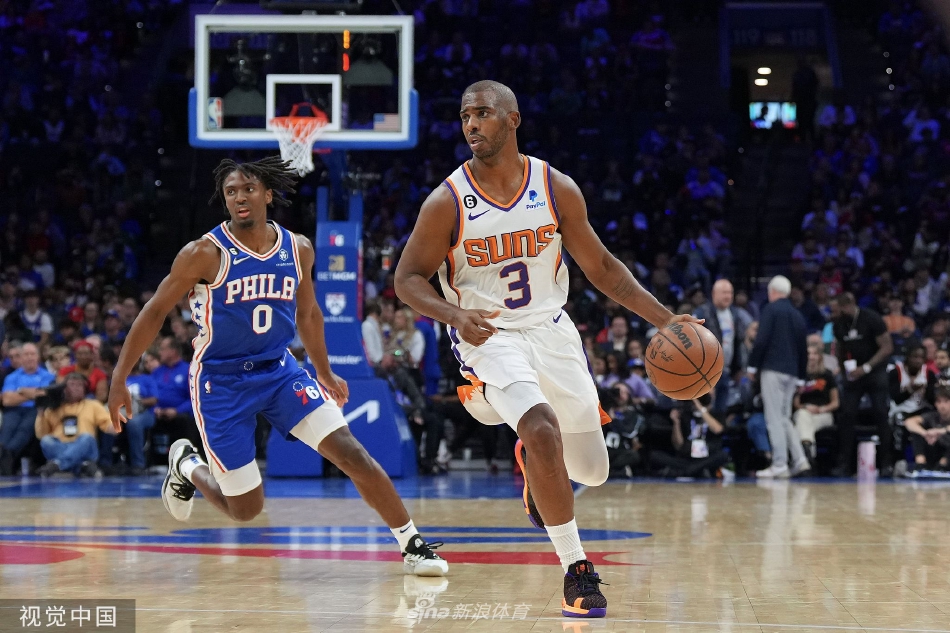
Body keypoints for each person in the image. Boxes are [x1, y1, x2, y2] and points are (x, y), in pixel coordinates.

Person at [394, 80, 701, 617]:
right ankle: (576, 572)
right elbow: (406, 279)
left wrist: (666, 320)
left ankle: (534, 467)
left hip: (553, 331)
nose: (471, 124)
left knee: (593, 470)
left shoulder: (555, 187)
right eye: (465, 116)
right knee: (539, 426)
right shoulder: (447, 201)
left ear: (513, 119)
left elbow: (603, 268)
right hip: (490, 336)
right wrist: (454, 315)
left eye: (483, 113)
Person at [108, 156, 447, 577]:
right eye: (231, 192)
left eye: (248, 189)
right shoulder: (203, 253)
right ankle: (188, 466)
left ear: (268, 194)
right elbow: (155, 310)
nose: (239, 198)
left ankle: (413, 545)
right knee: (246, 509)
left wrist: (323, 371)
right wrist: (119, 377)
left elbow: (308, 314)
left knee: (352, 453)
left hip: (279, 371)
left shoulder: (297, 248)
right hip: (221, 381)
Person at [747, 276, 810, 478]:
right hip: (792, 373)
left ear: (772, 291)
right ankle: (800, 459)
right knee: (784, 418)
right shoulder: (797, 314)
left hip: (773, 370)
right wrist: (802, 377)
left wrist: (752, 365)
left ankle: (780, 463)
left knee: (773, 418)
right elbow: (803, 348)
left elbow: (761, 340)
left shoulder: (770, 310)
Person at [831, 292, 895, 477]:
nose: (835, 313)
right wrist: (845, 371)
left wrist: (866, 368)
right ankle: (845, 464)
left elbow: (887, 347)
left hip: (874, 371)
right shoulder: (838, 324)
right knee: (847, 415)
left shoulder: (871, 318)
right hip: (854, 374)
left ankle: (886, 463)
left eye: (838, 309)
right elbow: (840, 349)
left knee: (881, 413)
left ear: (847, 306)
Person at [35, 373, 116, 477]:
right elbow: (41, 434)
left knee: (87, 438)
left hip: (83, 445)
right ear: (64, 389)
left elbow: (107, 422)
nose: (77, 388)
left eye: (80, 385)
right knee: (46, 440)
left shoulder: (93, 405)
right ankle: (82, 465)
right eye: (72, 385)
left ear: (85, 389)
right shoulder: (53, 408)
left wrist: (112, 427)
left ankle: (58, 465)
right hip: (60, 445)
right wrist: (40, 414)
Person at [693, 279, 752, 415]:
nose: (728, 296)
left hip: (725, 369)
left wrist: (737, 368)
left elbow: (737, 341)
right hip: (706, 371)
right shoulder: (702, 313)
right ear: (714, 294)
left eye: (730, 293)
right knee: (705, 409)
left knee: (721, 410)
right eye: (724, 293)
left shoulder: (735, 313)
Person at [0, 343, 56, 475]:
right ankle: (4, 455)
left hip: (35, 409)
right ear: (21, 358)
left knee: (24, 429)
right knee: (7, 429)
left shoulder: (48, 376)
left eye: (32, 354)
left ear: (38, 357)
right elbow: (7, 400)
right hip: (14, 409)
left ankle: (7, 455)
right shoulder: (12, 376)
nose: (29, 357)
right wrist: (32, 393)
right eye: (26, 354)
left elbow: (44, 396)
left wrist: (20, 392)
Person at [794, 346, 839, 461]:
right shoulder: (799, 376)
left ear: (820, 356)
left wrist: (821, 409)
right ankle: (809, 454)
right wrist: (806, 406)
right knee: (802, 416)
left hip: (824, 413)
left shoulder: (827, 375)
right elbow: (796, 404)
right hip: (804, 411)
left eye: (814, 354)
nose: (811, 357)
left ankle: (806, 454)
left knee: (802, 423)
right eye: (808, 354)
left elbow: (835, 403)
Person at [903, 387, 950, 473]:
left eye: (946, 401)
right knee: (916, 432)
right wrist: (925, 433)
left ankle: (943, 464)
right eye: (939, 402)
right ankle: (921, 464)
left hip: (947, 453)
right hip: (933, 450)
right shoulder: (932, 416)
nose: (942, 406)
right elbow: (909, 422)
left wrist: (940, 431)